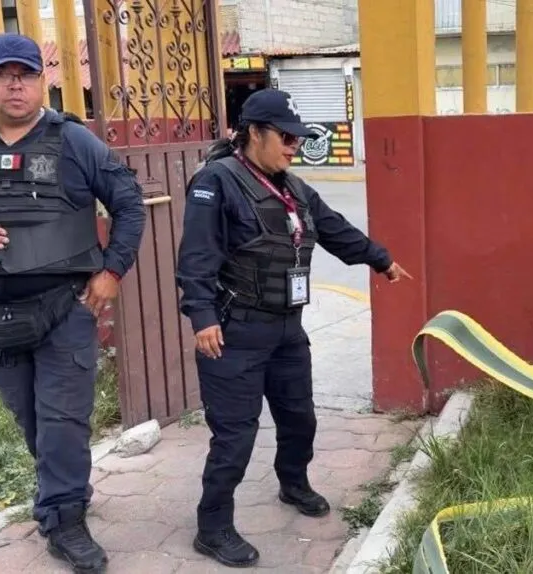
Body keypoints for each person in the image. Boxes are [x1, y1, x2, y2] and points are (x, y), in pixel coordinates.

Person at [0, 34, 146, 574]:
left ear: (43, 80)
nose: (17, 84)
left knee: (62, 420)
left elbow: (129, 204)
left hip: (65, 306)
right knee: (34, 421)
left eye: (28, 74)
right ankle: (66, 491)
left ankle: (63, 520)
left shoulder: (76, 142)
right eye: (5, 73)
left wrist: (112, 271)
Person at [176, 88, 411, 567]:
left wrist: (381, 259)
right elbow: (196, 257)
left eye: (298, 139)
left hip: (287, 330)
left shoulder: (294, 187)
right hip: (233, 333)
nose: (293, 146)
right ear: (254, 134)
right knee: (235, 437)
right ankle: (213, 527)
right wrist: (201, 316)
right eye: (284, 137)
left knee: (299, 418)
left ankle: (293, 483)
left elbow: (335, 228)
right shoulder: (216, 182)